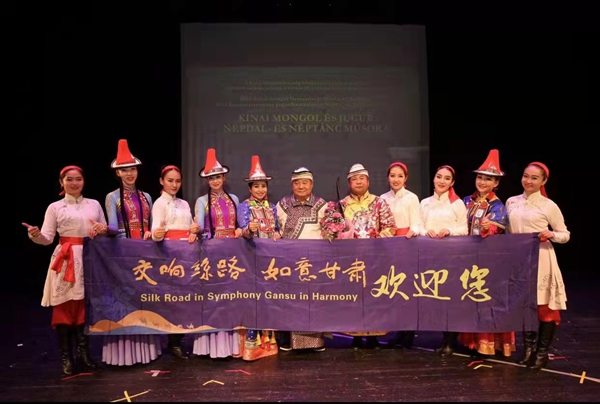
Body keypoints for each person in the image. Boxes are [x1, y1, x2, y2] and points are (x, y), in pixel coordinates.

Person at [22, 165, 106, 377]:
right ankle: (67, 358)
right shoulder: (55, 207)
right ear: (62, 182)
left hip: (88, 258)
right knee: (64, 308)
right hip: (66, 259)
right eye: (69, 179)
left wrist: (102, 230)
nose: (74, 183)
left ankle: (84, 356)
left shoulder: (94, 204)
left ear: (84, 181)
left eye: (78, 179)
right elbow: (47, 238)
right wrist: (35, 235)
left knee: (84, 308)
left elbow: (104, 231)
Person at [102, 139, 163, 367]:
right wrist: (103, 229)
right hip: (123, 253)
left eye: (132, 169)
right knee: (125, 300)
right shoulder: (112, 197)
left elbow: (152, 224)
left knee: (145, 300)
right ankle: (124, 353)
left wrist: (151, 232)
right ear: (117, 173)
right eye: (124, 170)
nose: (129, 174)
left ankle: (146, 350)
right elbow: (112, 226)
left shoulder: (146, 197)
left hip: (145, 254)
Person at [506, 162, 569, 370]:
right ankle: (528, 351)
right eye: (526, 176)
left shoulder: (548, 205)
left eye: (534, 178)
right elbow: (508, 231)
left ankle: (541, 354)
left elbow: (565, 234)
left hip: (542, 258)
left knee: (544, 307)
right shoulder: (512, 202)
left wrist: (551, 234)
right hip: (519, 259)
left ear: (544, 181)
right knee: (525, 307)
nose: (528, 181)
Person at [457, 150, 516, 358]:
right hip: (466, 259)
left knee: (486, 301)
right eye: (480, 177)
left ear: (496, 183)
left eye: (488, 179)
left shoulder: (498, 206)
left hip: (489, 262)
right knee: (469, 299)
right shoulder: (466, 201)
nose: (482, 182)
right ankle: (470, 341)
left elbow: (496, 229)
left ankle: (488, 344)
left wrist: (486, 228)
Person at [192, 148, 243, 360]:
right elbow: (200, 227)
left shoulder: (234, 199)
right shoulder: (202, 201)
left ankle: (231, 345)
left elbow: (240, 224)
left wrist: (241, 229)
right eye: (211, 178)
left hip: (232, 253)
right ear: (207, 180)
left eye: (218, 177)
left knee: (231, 298)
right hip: (211, 253)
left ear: (224, 178)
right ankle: (210, 346)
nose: (215, 181)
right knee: (213, 299)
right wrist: (195, 230)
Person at [339, 163, 396, 349]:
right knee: (353, 298)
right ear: (349, 183)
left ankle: (373, 337)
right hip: (351, 260)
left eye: (361, 178)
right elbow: (336, 231)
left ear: (368, 181)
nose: (358, 182)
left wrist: (377, 239)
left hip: (375, 258)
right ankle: (355, 337)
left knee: (374, 297)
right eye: (354, 179)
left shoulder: (379, 202)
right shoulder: (341, 205)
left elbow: (390, 226)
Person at [276, 167, 328, 352]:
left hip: (314, 261)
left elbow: (329, 231)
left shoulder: (322, 205)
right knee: (290, 300)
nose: (301, 186)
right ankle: (288, 341)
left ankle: (316, 342)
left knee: (313, 301)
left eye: (305, 182)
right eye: (297, 183)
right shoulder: (283, 204)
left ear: (312, 184)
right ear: (292, 185)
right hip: (289, 261)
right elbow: (275, 228)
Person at [151, 165, 200, 359]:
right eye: (170, 181)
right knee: (172, 298)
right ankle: (172, 341)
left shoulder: (184, 203)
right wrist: (157, 234)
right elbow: (155, 231)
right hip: (169, 254)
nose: (174, 185)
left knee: (185, 297)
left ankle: (179, 338)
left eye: (178, 181)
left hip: (186, 254)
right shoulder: (159, 203)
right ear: (161, 181)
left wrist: (194, 231)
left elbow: (190, 227)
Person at [419, 165, 468, 356]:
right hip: (430, 256)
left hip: (452, 257)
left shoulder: (457, 204)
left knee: (450, 298)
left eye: (447, 178)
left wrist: (449, 231)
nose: (441, 181)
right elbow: (419, 226)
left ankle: (450, 340)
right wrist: (426, 232)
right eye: (439, 177)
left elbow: (464, 229)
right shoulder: (425, 203)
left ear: (452, 182)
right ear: (434, 179)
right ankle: (442, 336)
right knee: (436, 297)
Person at [237, 155, 280, 361]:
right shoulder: (245, 206)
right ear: (250, 188)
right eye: (256, 186)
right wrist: (249, 229)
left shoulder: (272, 207)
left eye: (263, 186)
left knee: (268, 300)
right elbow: (243, 232)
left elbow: (276, 229)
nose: (261, 190)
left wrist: (277, 234)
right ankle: (251, 346)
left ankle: (268, 344)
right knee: (254, 300)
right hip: (252, 258)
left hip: (270, 260)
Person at [379, 161, 420, 349]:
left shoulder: (411, 198)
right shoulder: (382, 198)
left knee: (406, 289)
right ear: (388, 177)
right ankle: (396, 329)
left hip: (406, 245)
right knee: (392, 288)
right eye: (393, 175)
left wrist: (411, 234)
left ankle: (408, 332)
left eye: (400, 176)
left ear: (406, 178)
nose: (396, 179)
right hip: (388, 247)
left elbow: (416, 223)